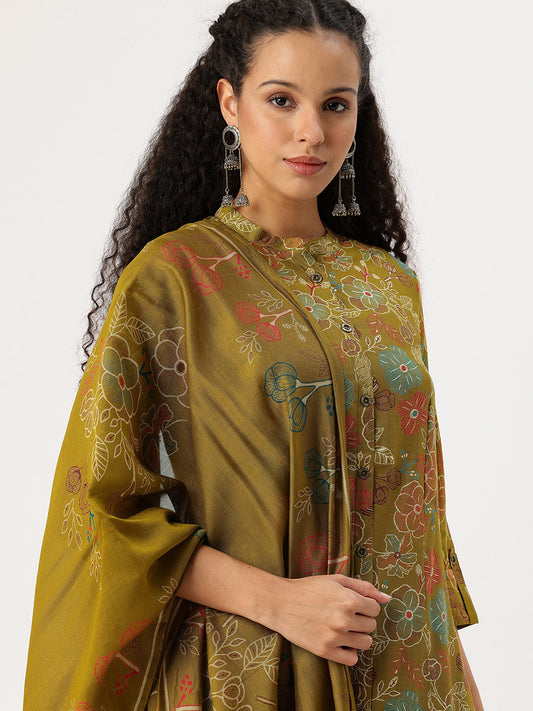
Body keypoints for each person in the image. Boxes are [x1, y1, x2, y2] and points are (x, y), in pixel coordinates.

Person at [24, 1, 484, 709]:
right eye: (281, 100)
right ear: (229, 102)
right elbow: (104, 513)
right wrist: (279, 601)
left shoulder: (389, 286)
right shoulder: (174, 280)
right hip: (261, 669)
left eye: (336, 104)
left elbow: (419, 512)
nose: (312, 132)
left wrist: (464, 685)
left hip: (412, 672)